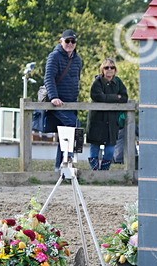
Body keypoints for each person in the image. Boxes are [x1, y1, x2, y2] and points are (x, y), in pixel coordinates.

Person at [45, 29, 83, 170]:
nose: (70, 44)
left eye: (73, 41)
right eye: (67, 41)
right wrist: (54, 97)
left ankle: (60, 165)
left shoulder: (78, 60)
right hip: (58, 102)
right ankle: (70, 158)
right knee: (73, 125)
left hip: (71, 102)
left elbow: (77, 79)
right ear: (61, 41)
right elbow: (49, 77)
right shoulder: (54, 56)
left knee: (67, 130)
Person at [88, 57, 128, 170]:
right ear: (102, 70)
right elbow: (97, 96)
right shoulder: (97, 82)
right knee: (94, 146)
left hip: (112, 120)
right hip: (97, 119)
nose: (109, 70)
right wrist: (116, 97)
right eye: (106, 67)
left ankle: (104, 172)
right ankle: (95, 173)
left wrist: (108, 98)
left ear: (115, 70)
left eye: (112, 67)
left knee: (110, 149)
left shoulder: (118, 82)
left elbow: (124, 97)